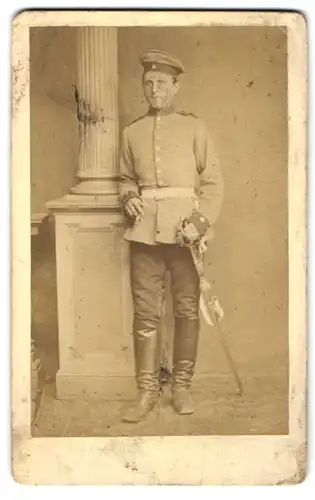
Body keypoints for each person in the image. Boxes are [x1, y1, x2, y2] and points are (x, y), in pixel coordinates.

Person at [119, 49, 224, 423]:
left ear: (176, 87)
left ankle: (181, 387)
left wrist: (200, 222)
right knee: (146, 316)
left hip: (184, 235)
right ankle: (147, 392)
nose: (154, 89)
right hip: (144, 234)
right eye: (148, 83)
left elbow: (212, 183)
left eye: (162, 83)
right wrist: (129, 196)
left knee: (185, 311)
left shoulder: (195, 128)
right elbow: (126, 177)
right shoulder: (132, 132)